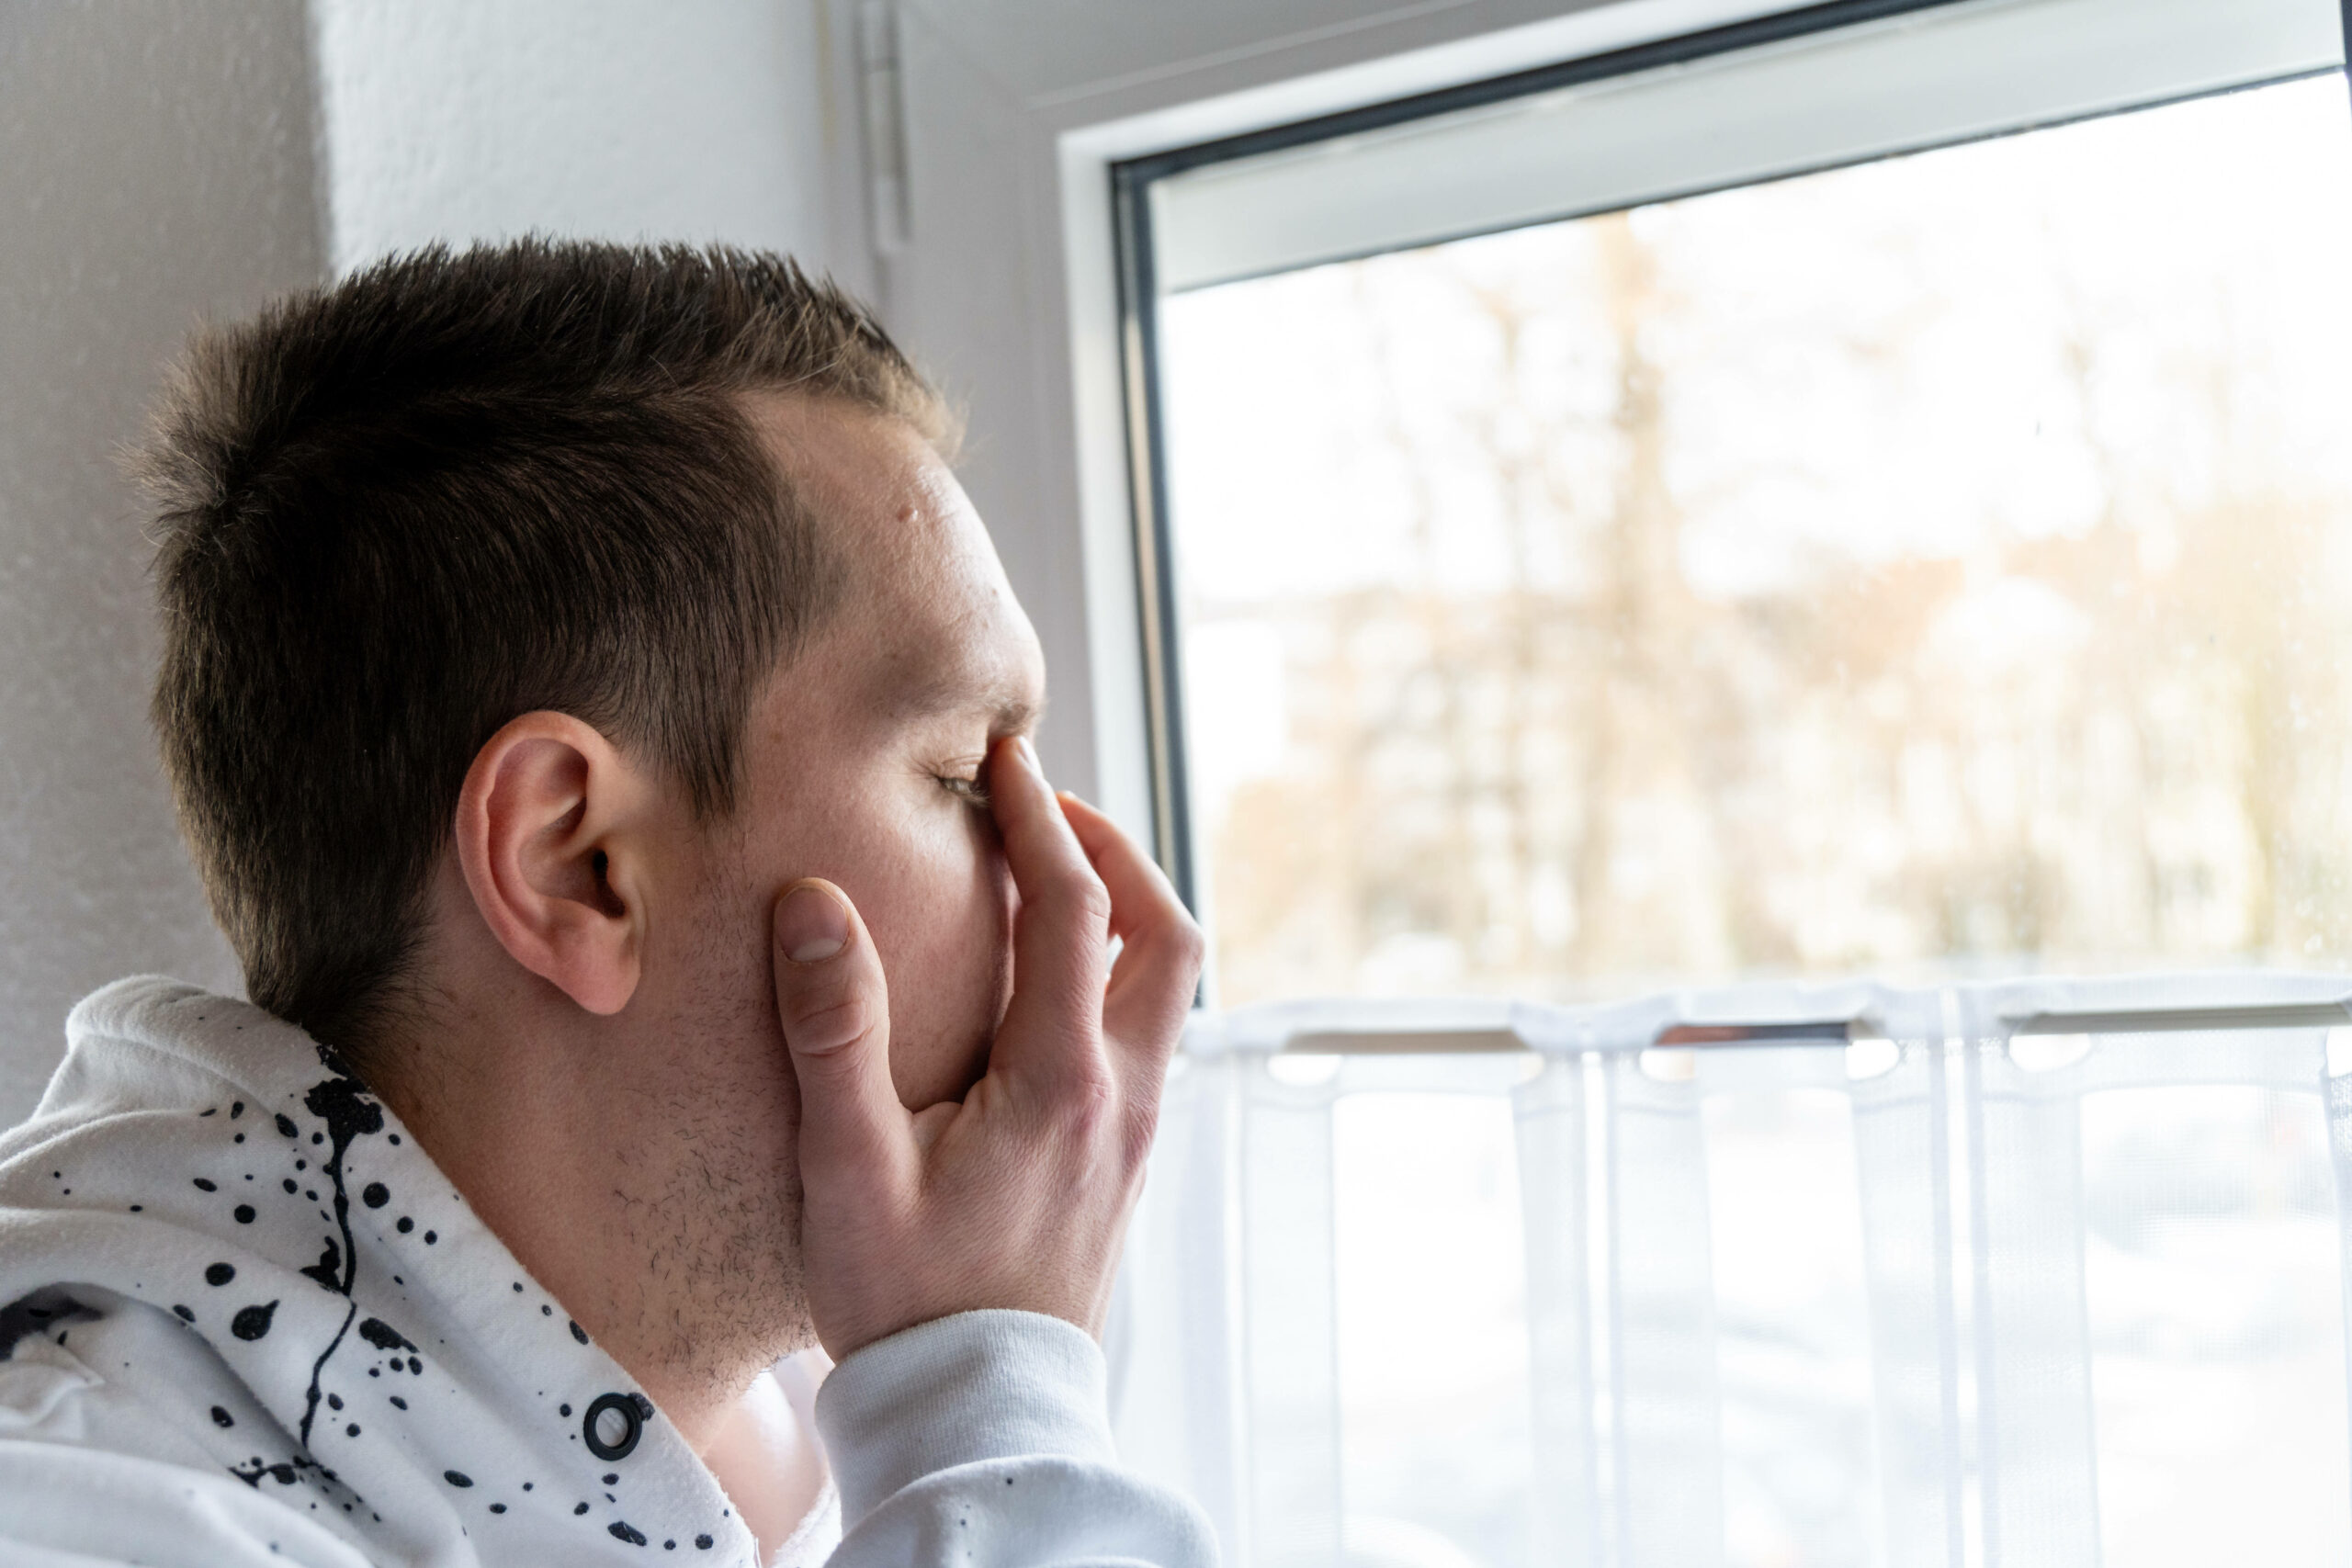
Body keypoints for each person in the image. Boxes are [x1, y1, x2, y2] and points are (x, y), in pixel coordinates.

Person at [0, 242, 1214, 1567]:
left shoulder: (815, 1399)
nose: (1082, 894)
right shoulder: (89, 1502)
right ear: (577, 866)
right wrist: (991, 1418)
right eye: (968, 774)